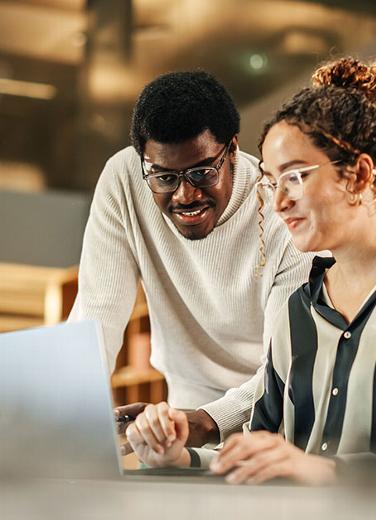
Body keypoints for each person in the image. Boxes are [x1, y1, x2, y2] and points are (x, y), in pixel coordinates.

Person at [126, 55, 376, 483]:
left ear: (358, 175)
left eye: (295, 177)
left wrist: (323, 471)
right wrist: (181, 457)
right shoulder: (295, 310)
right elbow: (260, 452)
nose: (279, 202)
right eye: (271, 180)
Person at [68, 71, 312, 448]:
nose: (184, 195)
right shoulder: (124, 180)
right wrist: (65, 417)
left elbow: (287, 369)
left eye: (201, 172)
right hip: (181, 423)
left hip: (275, 430)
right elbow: (96, 314)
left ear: (232, 150)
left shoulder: (284, 213)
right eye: (164, 177)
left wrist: (209, 420)